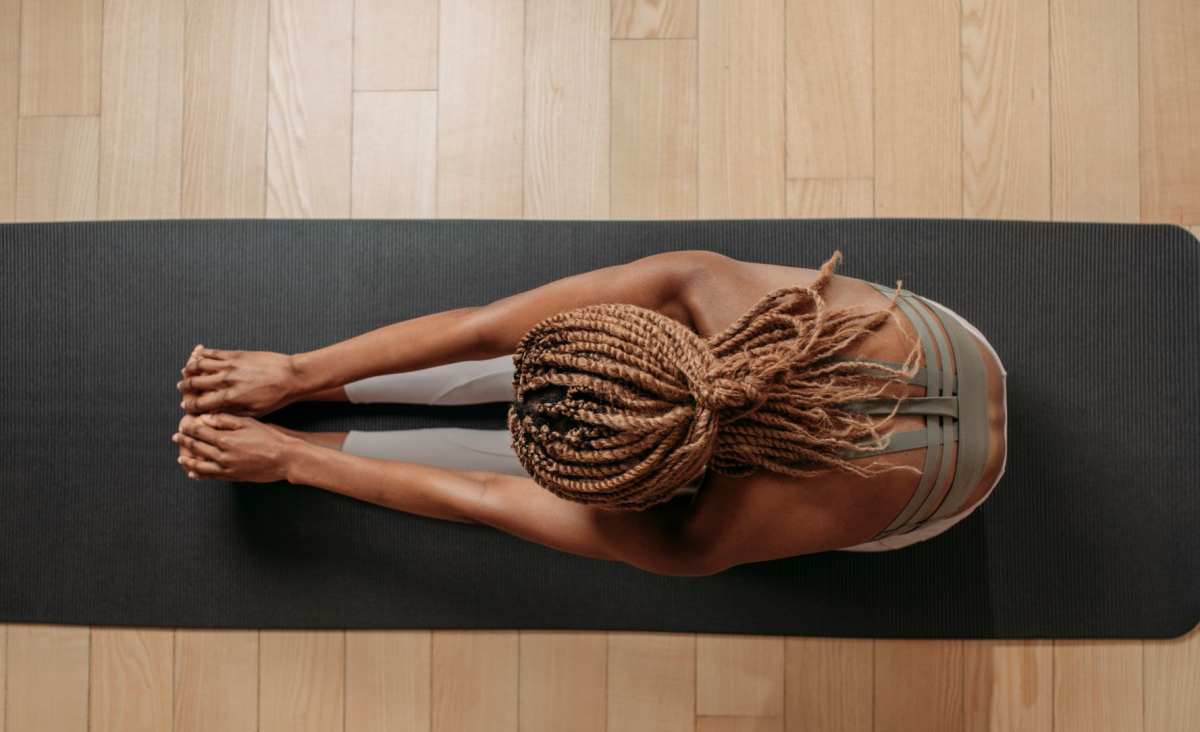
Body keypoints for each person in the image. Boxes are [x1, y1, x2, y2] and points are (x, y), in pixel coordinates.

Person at [172, 250, 1007, 576]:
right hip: (951, 348)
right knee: (528, 375)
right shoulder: (704, 287)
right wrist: (297, 371)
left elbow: (488, 497)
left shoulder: (711, 531)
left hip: (946, 491)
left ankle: (617, 441)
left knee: (518, 454)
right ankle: (599, 406)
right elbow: (485, 332)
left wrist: (295, 459)